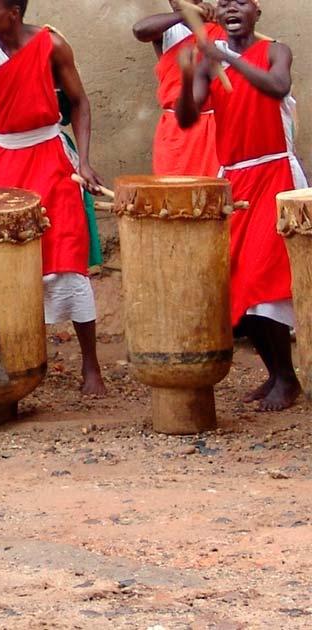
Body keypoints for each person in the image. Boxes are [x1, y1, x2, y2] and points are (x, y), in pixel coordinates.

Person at [0, 0, 108, 395]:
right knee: (7, 263)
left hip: (51, 157)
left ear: (13, 11)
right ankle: (16, 360)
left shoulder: (52, 44)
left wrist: (88, 160)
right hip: (3, 161)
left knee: (66, 257)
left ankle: (91, 367)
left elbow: (79, 101)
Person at [177, 0, 305, 411]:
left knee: (263, 280)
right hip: (234, 180)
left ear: (257, 12)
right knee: (237, 287)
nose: (232, 8)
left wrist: (227, 57)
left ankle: (287, 378)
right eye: (225, 2)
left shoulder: (274, 50)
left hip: (275, 175)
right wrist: (186, 77)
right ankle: (276, 375)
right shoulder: (207, 61)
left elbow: (277, 87)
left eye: (242, 2)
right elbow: (187, 117)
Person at [133, 1, 223, 176]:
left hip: (217, 125)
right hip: (177, 130)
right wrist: (187, 14)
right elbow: (139, 30)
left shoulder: (220, 24)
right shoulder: (166, 30)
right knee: (176, 193)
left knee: (216, 193)